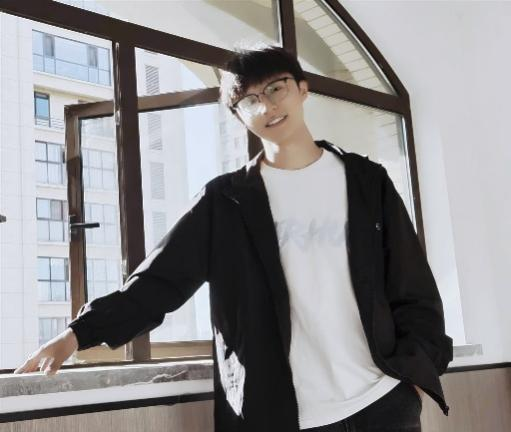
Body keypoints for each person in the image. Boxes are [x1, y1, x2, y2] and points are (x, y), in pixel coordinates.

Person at [15, 43, 453, 432]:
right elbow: (157, 284)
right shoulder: (225, 201)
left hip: (383, 403)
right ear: (238, 115)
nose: (267, 106)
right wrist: (76, 335)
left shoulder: (367, 182)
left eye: (276, 88)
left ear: (303, 89)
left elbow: (413, 287)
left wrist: (415, 376)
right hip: (286, 416)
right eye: (249, 100)